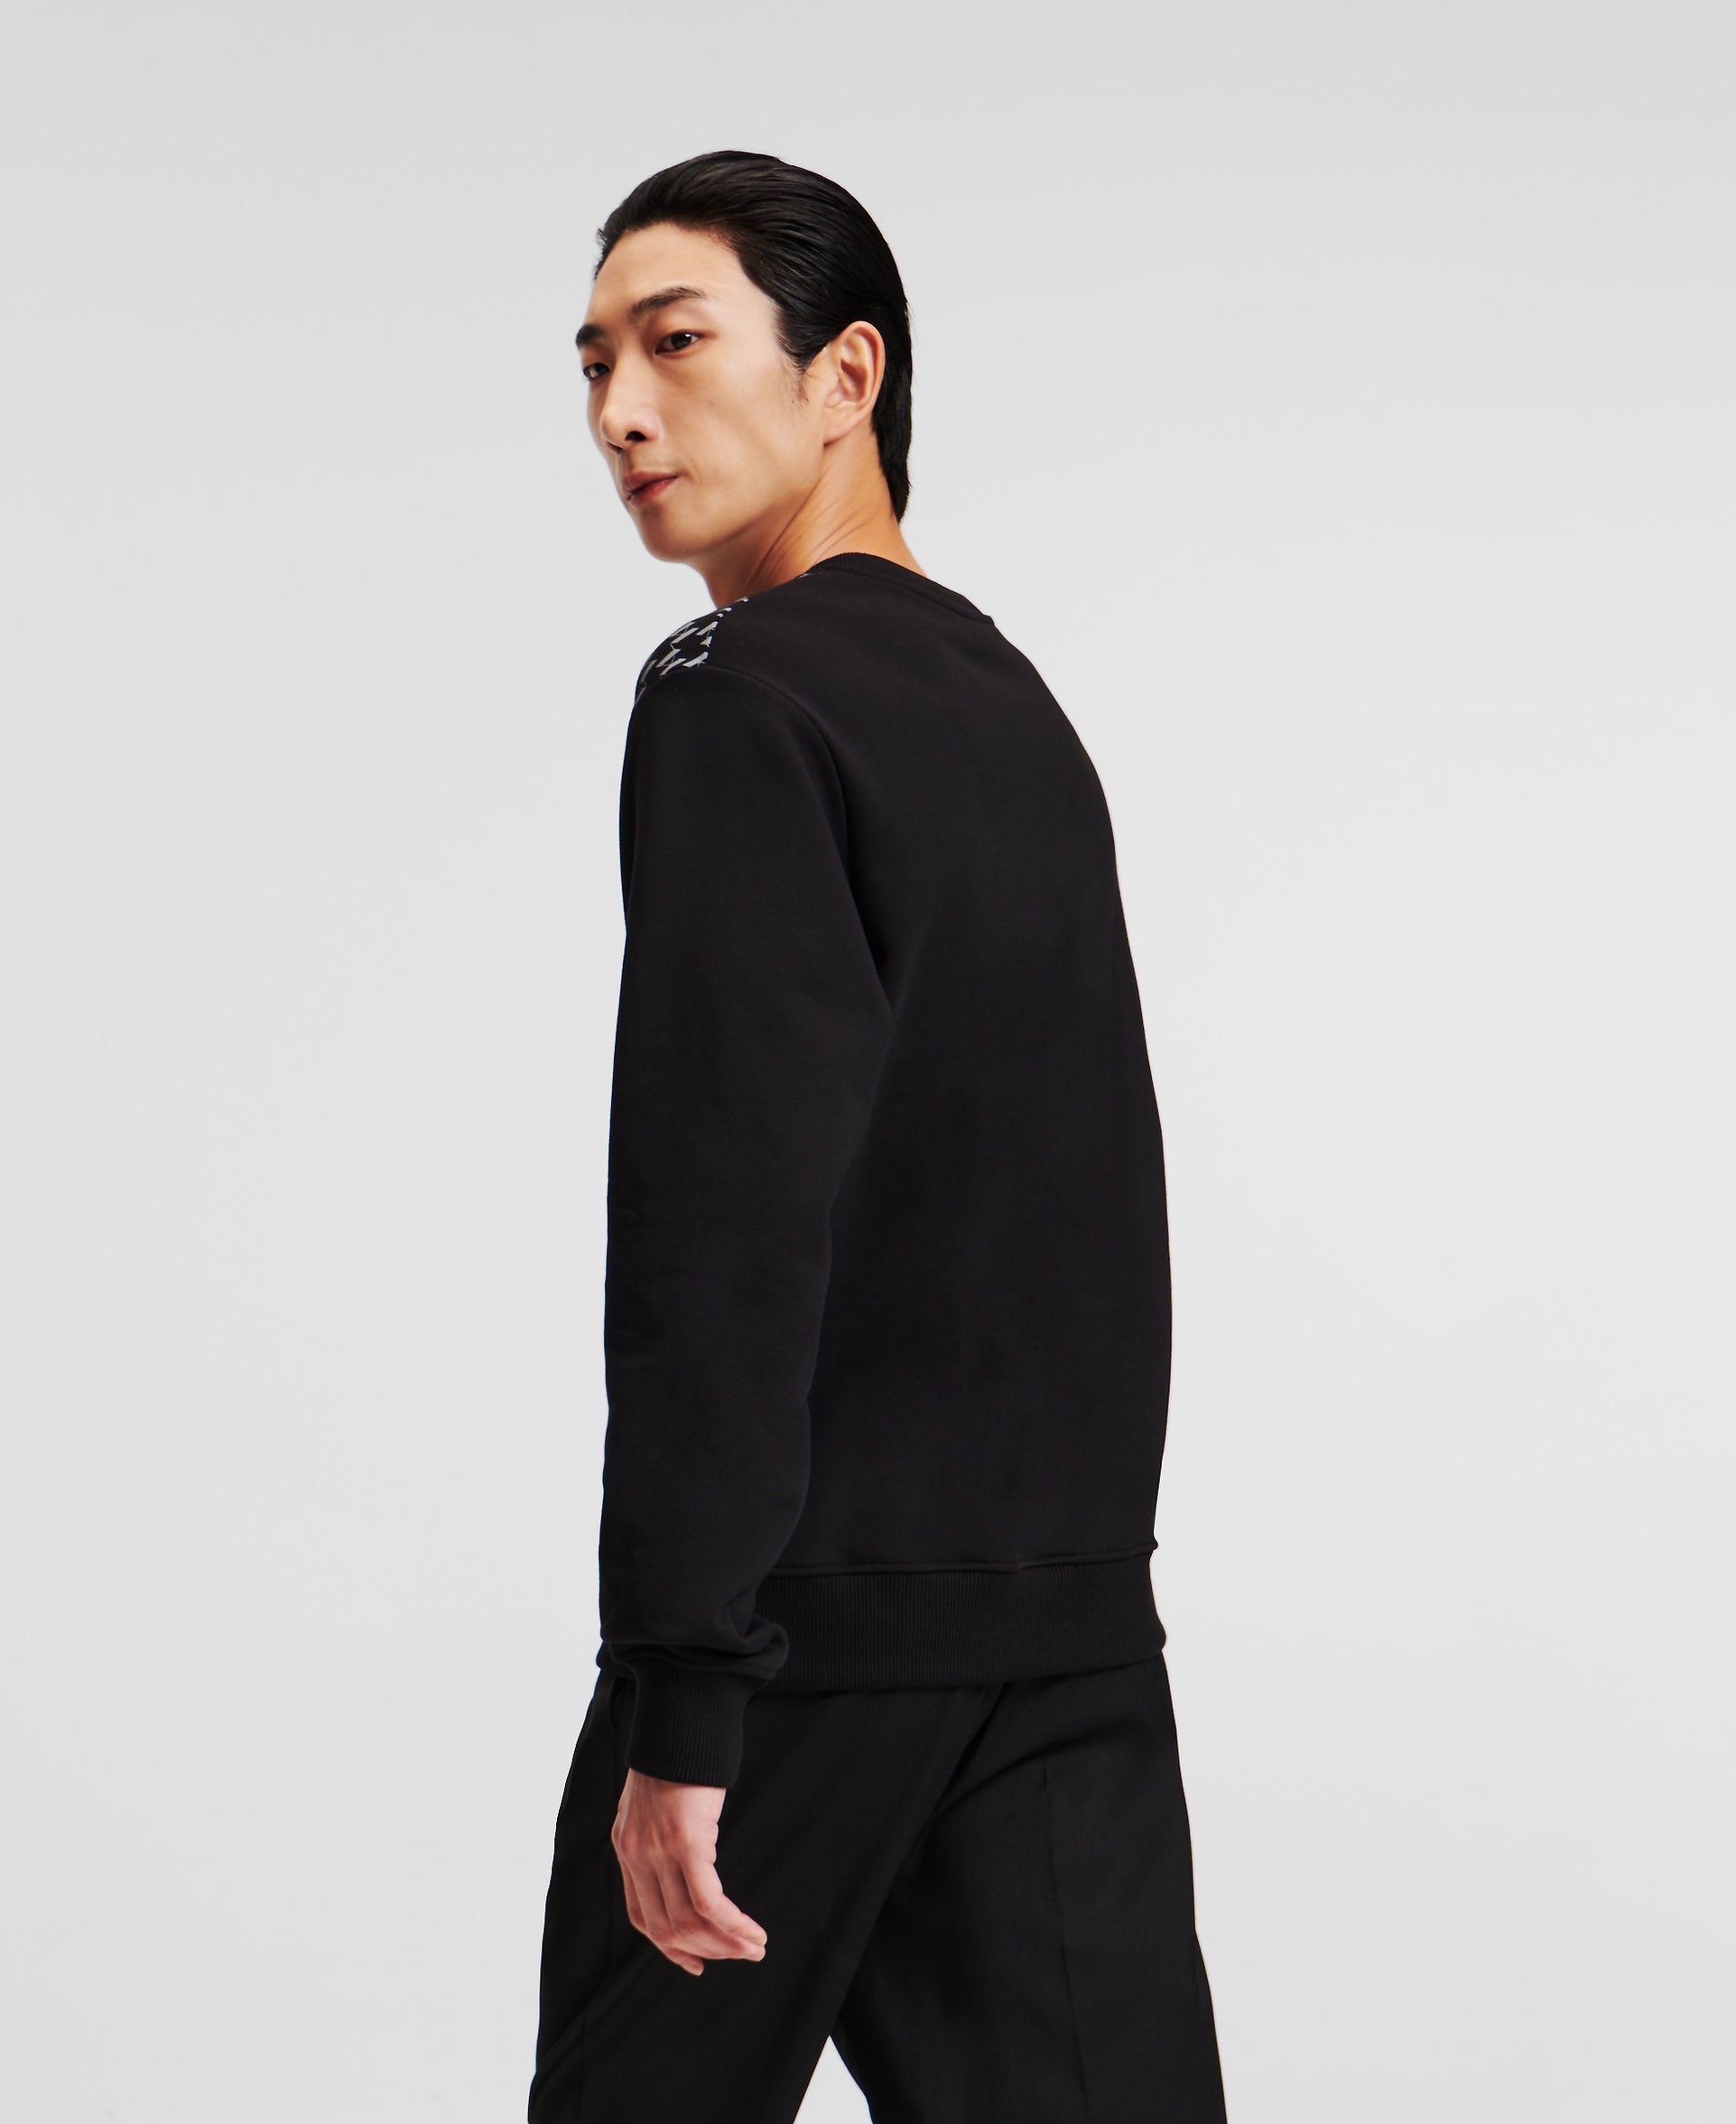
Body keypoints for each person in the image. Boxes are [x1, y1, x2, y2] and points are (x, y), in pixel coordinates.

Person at [527, 149, 1229, 2124]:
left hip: (804, 1649)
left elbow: (722, 1217)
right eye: (591, 365)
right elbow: (1073, 1191)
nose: (622, 411)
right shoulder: (1009, 696)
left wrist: (688, 1686)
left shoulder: (736, 693)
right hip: (1062, 1631)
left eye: (676, 344)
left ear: (846, 376)